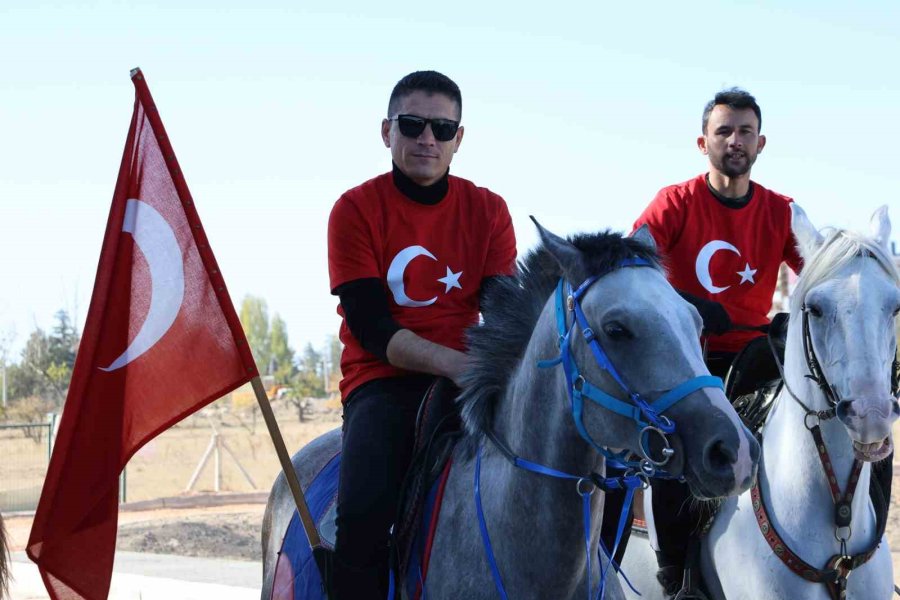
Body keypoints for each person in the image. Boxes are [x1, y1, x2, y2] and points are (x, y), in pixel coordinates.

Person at [327, 70, 517, 600]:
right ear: (387, 132)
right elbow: (372, 329)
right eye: (412, 125)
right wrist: (458, 365)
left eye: (441, 127)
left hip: (468, 380)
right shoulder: (354, 209)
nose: (426, 138)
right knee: (362, 523)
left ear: (460, 139)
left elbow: (501, 314)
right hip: (382, 383)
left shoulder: (490, 210)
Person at [608, 88, 804, 596]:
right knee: (676, 448)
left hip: (757, 360)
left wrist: (799, 319)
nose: (734, 141)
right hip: (684, 359)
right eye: (723, 131)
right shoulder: (674, 202)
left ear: (761, 143)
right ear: (703, 143)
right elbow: (633, 268)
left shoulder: (782, 212)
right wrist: (692, 308)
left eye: (744, 132)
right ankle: (675, 573)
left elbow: (822, 278)